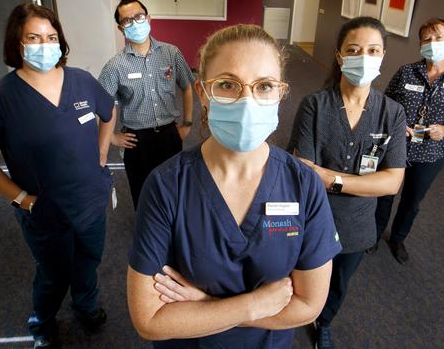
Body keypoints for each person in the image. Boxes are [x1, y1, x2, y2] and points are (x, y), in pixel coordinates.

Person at [126, 24, 342, 348]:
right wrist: (253, 305)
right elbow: (149, 320)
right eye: (228, 84)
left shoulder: (304, 185)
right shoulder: (166, 186)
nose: (247, 101)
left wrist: (204, 306)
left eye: (264, 86)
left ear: (280, 95)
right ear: (202, 94)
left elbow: (309, 306)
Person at [0, 3, 116, 349]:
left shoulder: (81, 81)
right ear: (17, 42)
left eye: (51, 36)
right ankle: (42, 321)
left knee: (88, 262)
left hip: (90, 199)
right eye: (34, 37)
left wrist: (102, 154)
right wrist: (22, 199)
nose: (45, 44)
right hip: (44, 210)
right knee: (53, 275)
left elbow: (109, 112)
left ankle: (86, 305)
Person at [287, 17, 406, 349]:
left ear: (382, 57)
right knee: (301, 276)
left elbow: (392, 182)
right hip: (313, 218)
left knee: (339, 282)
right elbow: (303, 171)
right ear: (340, 56)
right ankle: (292, 316)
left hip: (357, 224)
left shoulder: (392, 114)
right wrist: (363, 182)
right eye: (354, 50)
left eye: (373, 50)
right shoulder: (316, 105)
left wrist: (331, 179)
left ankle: (324, 322)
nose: (363, 57)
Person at [373, 18, 444, 264]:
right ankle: (374, 235)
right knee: (385, 193)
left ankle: (398, 238)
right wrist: (398, 125)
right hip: (397, 147)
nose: (432, 44)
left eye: (438, 38)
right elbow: (386, 104)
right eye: (426, 40)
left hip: (431, 153)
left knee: (412, 200)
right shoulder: (407, 72)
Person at [98, 0, 195, 209]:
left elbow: (187, 86)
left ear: (148, 18)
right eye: (127, 21)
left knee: (175, 189)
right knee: (143, 193)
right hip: (137, 140)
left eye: (139, 16)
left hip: (170, 134)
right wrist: (112, 137)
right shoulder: (115, 65)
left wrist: (187, 124)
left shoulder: (171, 53)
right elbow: (102, 105)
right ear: (120, 28)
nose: (135, 23)